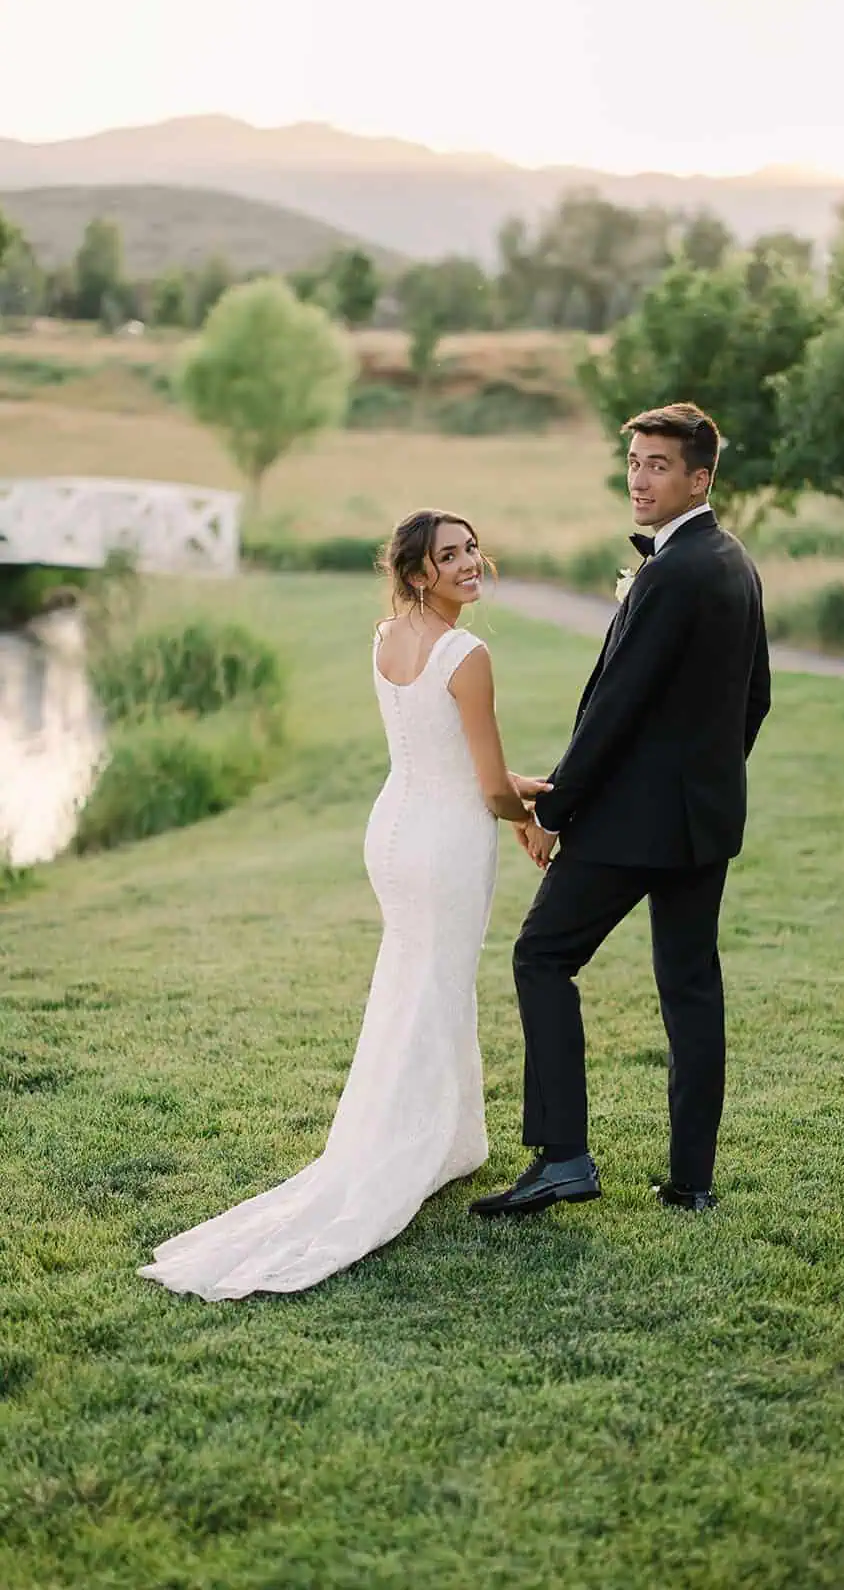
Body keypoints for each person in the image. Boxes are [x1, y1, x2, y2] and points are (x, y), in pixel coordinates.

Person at [139, 510, 542, 1300]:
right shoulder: (466, 653)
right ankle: (406, 1149)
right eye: (449, 556)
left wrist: (520, 790)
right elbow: (488, 786)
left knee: (415, 981)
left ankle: (451, 1139)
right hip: (446, 842)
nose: (470, 564)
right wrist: (529, 816)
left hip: (394, 828)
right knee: (435, 983)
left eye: (471, 549)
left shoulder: (386, 637)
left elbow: (444, 761)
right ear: (418, 572)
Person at [470, 403, 771, 1221]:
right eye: (633, 462)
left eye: (658, 466)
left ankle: (563, 1157)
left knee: (541, 957)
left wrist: (556, 809)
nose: (639, 478)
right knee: (690, 989)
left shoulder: (675, 571)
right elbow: (755, 700)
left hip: (635, 823)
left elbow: (616, 708)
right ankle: (691, 1182)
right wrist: (702, 781)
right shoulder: (733, 561)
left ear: (699, 477)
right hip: (701, 822)